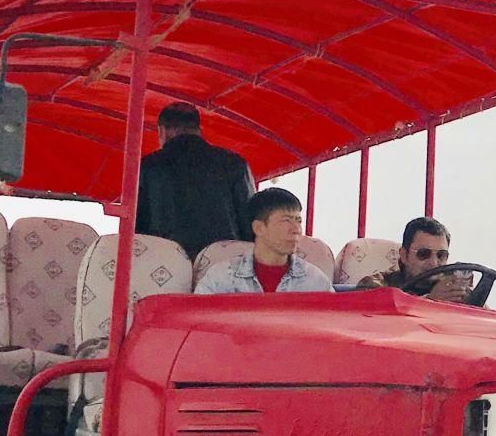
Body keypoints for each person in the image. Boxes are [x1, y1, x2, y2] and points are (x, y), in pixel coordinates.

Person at [135, 102, 254, 259]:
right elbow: (248, 221)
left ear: (162, 131)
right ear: (198, 129)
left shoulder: (148, 166)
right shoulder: (234, 163)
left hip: (167, 261)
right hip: (223, 260)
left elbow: (138, 228)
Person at [194, 188, 334, 294]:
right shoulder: (221, 277)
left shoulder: (315, 281)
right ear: (259, 228)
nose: (296, 229)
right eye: (286, 220)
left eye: (298, 221)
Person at [357, 216, 472, 303]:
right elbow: (375, 317)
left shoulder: (451, 288)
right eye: (424, 254)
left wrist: (471, 298)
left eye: (441, 255)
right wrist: (429, 301)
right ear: (404, 255)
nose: (433, 263)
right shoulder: (376, 284)